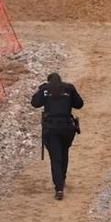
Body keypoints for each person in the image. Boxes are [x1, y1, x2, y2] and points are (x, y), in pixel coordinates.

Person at [30, 72, 83, 200]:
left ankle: (59, 188)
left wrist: (41, 89)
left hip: (51, 128)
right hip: (67, 128)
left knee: (55, 158)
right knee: (64, 153)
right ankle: (62, 180)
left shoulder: (45, 90)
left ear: (49, 81)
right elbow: (79, 104)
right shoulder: (69, 88)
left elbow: (35, 103)